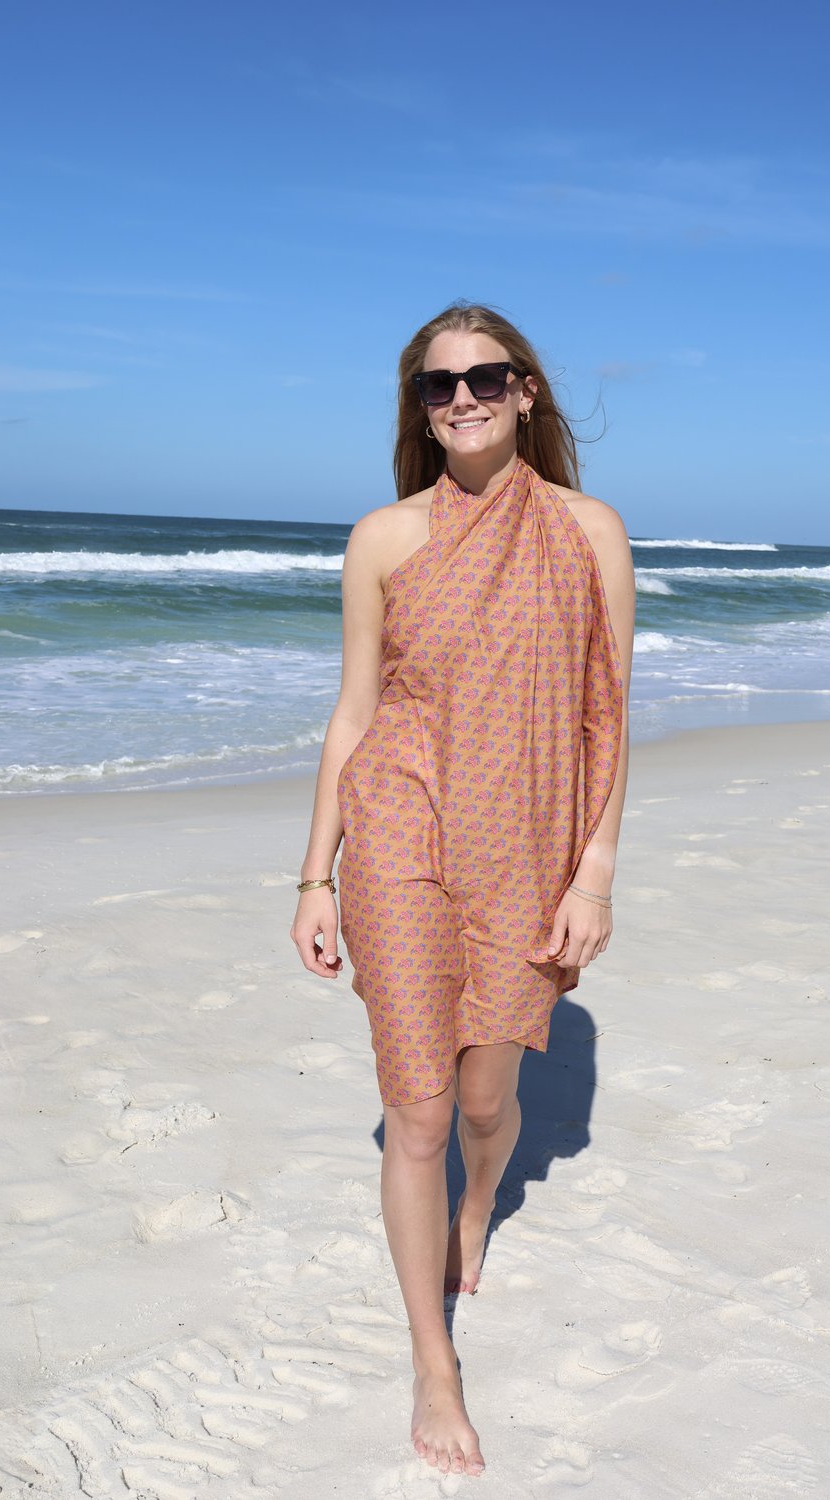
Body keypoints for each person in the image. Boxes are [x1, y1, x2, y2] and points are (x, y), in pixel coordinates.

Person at [291, 301, 635, 1477]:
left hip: (528, 848)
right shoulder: (384, 538)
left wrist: (594, 871)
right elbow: (354, 713)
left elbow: (607, 716)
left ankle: (477, 1205)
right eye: (438, 385)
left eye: (485, 378)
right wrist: (315, 874)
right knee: (419, 1111)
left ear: (525, 391)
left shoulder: (589, 531)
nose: (463, 399)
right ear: (418, 407)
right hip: (399, 836)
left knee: (487, 1107)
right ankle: (433, 1364)